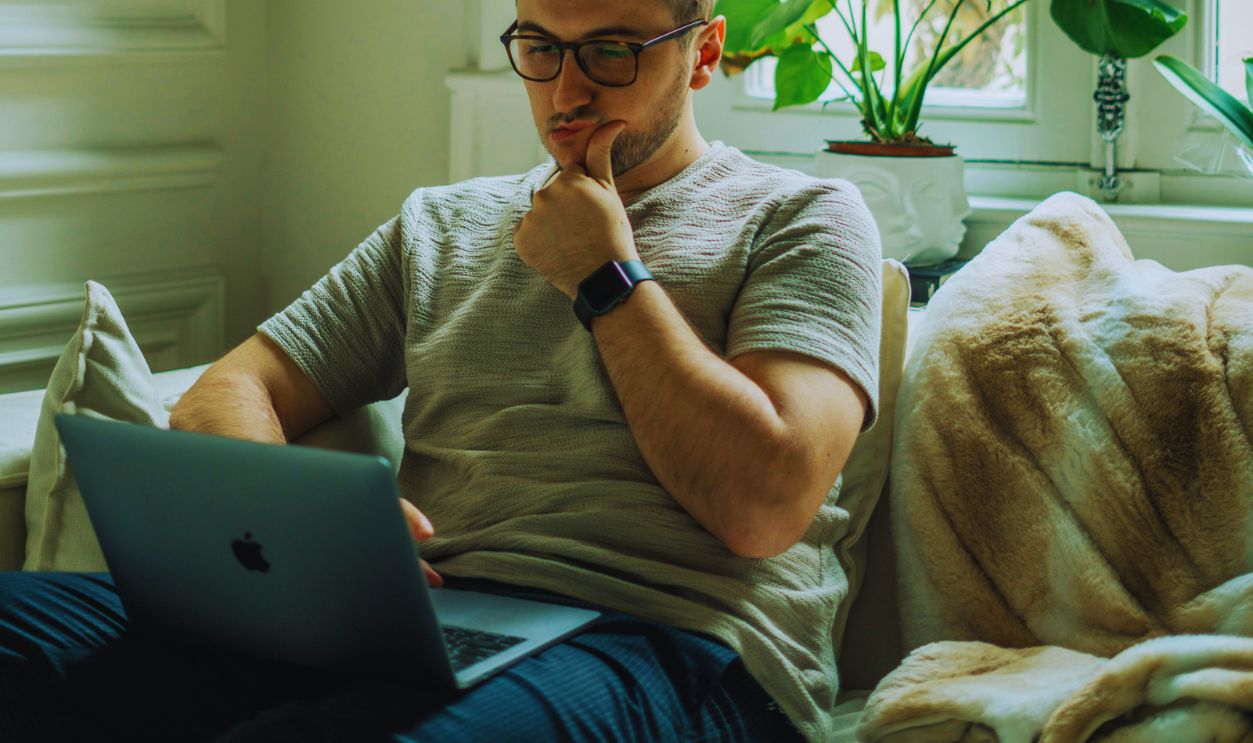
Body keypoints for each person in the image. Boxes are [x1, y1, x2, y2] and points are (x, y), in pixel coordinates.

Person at [0, 0, 882, 739]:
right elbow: (230, 390)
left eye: (611, 51)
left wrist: (604, 273)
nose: (565, 89)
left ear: (704, 53)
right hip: (416, 620)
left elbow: (762, 504)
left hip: (675, 642)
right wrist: (315, 536)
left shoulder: (803, 217)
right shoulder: (442, 225)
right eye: (539, 46)